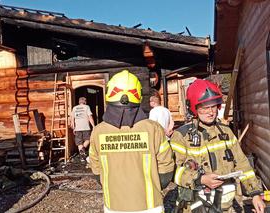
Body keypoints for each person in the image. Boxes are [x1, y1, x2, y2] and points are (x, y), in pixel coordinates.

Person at [170, 79, 265, 213]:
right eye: (205, 107)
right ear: (194, 107)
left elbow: (243, 165)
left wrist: (255, 194)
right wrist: (200, 179)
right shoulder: (181, 136)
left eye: (213, 106)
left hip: (228, 207)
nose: (211, 112)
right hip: (196, 207)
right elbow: (173, 170)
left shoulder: (226, 132)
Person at [89, 70, 175, 213]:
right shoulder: (153, 129)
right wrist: (153, 185)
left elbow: (96, 170)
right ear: (138, 96)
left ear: (109, 94)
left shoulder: (98, 132)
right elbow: (166, 168)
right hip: (150, 206)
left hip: (114, 206)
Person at [70, 97, 95, 161]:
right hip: (86, 127)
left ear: (79, 102)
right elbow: (90, 117)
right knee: (88, 139)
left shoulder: (74, 108)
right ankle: (82, 150)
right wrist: (94, 126)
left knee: (79, 142)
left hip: (77, 128)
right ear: (85, 101)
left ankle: (82, 157)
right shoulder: (87, 107)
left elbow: (72, 118)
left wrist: (73, 127)